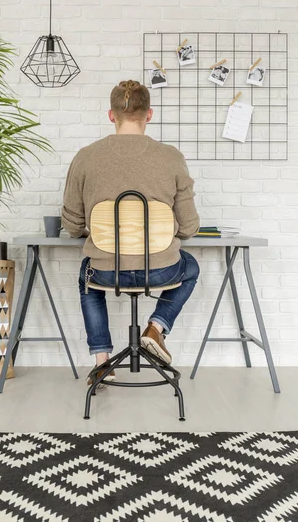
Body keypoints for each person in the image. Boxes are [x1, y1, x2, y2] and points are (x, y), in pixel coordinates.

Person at [61, 80, 200, 386]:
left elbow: (72, 226)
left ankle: (101, 362)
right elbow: (189, 227)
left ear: (111, 115)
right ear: (149, 114)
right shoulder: (172, 157)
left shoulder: (85, 157)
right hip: (161, 271)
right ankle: (156, 327)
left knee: (87, 274)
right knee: (190, 266)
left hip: (106, 272)